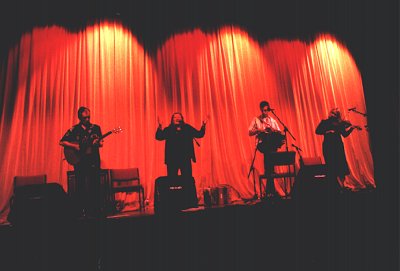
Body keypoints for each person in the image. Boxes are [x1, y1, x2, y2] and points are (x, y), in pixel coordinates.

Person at [60, 107, 103, 217]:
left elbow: (101, 143)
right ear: (80, 118)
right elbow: (62, 142)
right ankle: (81, 210)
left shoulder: (96, 128)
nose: (87, 119)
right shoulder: (74, 129)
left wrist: (97, 142)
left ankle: (96, 210)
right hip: (80, 161)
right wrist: (74, 146)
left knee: (95, 184)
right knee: (81, 185)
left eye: (89, 117)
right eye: (85, 118)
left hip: (93, 160)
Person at [315, 108, 359, 193]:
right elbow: (317, 131)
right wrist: (327, 131)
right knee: (331, 165)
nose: (335, 114)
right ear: (331, 113)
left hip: (338, 146)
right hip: (328, 147)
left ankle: (342, 185)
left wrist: (351, 128)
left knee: (341, 165)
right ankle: (335, 187)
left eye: (337, 113)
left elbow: (345, 135)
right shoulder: (325, 122)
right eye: (334, 113)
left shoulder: (340, 124)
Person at [248, 101, 283, 198]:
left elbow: (279, 132)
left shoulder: (273, 121)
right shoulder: (256, 120)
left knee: (269, 165)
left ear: (269, 110)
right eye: (263, 110)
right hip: (263, 144)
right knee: (269, 162)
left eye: (267, 110)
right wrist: (260, 130)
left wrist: (273, 130)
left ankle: (270, 190)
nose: (265, 112)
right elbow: (250, 132)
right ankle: (270, 190)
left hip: (272, 144)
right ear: (261, 110)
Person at [156, 112, 206, 177]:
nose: (177, 118)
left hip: (185, 158)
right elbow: (159, 137)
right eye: (175, 117)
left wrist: (203, 125)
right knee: (172, 179)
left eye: (179, 117)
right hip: (172, 159)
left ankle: (187, 187)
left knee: (187, 178)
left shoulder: (187, 128)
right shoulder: (168, 129)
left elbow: (199, 134)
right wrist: (160, 126)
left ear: (182, 119)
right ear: (172, 120)